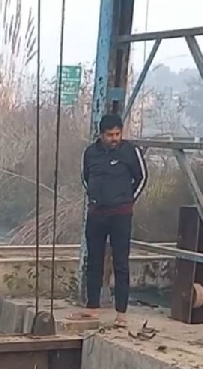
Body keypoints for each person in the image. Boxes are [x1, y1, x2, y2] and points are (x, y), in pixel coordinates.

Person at [75, 113, 147, 327]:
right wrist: (97, 199)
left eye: (117, 134)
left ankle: (121, 312)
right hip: (97, 213)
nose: (114, 138)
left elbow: (142, 178)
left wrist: (126, 200)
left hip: (121, 214)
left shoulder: (130, 151)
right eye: (110, 135)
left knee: (121, 262)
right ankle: (92, 307)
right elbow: (85, 178)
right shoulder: (90, 153)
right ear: (101, 135)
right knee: (94, 261)